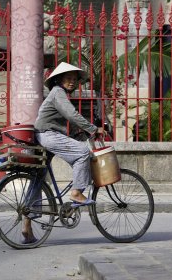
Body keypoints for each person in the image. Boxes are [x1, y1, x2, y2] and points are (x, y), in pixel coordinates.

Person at [22, 62, 106, 243]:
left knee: (38, 179)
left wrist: (80, 131)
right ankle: (76, 192)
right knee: (83, 153)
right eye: (68, 79)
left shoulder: (58, 95)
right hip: (48, 135)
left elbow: (67, 118)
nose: (72, 82)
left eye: (74, 80)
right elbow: (71, 115)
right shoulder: (58, 93)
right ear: (59, 80)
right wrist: (93, 128)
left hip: (45, 135)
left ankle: (26, 227)